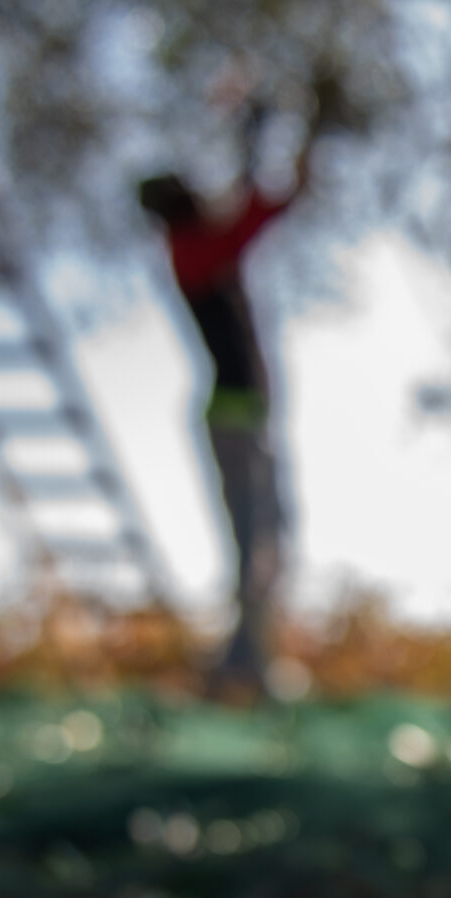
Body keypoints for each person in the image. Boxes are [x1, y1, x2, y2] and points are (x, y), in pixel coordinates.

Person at [137, 126, 311, 696]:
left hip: (242, 416)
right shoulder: (193, 250)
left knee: (271, 535)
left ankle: (246, 663)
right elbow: (251, 217)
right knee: (256, 542)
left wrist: (263, 138)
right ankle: (242, 668)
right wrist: (271, 145)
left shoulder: (194, 246)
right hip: (233, 418)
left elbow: (251, 210)